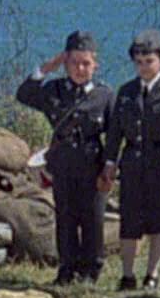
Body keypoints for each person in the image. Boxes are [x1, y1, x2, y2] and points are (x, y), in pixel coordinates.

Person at [17, 31, 115, 285]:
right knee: (66, 218)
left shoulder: (104, 96)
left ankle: (91, 271)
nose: (80, 69)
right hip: (62, 164)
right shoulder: (55, 90)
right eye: (73, 63)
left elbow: (115, 135)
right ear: (66, 63)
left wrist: (110, 167)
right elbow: (24, 94)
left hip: (92, 164)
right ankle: (66, 268)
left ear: (95, 65)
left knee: (92, 219)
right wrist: (48, 67)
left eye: (86, 64)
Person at [103, 29, 160, 291]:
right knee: (130, 221)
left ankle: (152, 274)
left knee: (158, 223)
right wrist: (110, 161)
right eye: (139, 62)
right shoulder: (127, 91)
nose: (143, 67)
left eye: (149, 61)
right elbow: (116, 131)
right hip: (132, 163)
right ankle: (127, 274)